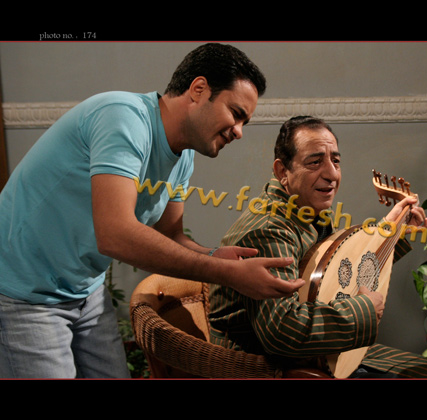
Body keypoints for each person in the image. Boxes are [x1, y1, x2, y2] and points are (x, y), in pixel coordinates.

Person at [0, 43, 304, 379]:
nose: (239, 131)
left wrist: (216, 256)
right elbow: (115, 235)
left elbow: (171, 236)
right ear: (199, 89)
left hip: (85, 291)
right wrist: (226, 274)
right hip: (23, 294)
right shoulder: (123, 117)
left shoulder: (183, 156)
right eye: (236, 113)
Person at [209, 116, 427, 378]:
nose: (332, 174)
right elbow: (283, 331)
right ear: (283, 171)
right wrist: (364, 311)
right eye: (315, 162)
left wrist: (391, 233)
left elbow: (333, 277)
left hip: (312, 354)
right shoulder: (270, 231)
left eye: (335, 161)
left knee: (424, 369)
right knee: (424, 375)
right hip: (270, 368)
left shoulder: (305, 211)